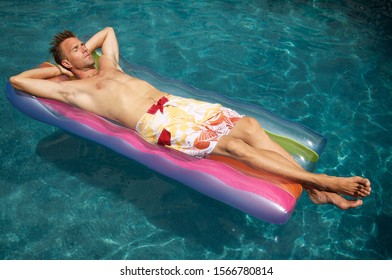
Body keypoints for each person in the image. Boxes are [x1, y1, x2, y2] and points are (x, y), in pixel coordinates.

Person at [10, 27, 371, 210]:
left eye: (82, 44)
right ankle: (323, 181)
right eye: (76, 49)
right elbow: (17, 81)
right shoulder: (74, 91)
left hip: (177, 105)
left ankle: (313, 191)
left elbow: (108, 31)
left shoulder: (109, 63)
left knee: (249, 126)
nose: (85, 48)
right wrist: (59, 69)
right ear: (67, 64)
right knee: (233, 146)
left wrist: (83, 47)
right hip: (158, 124)